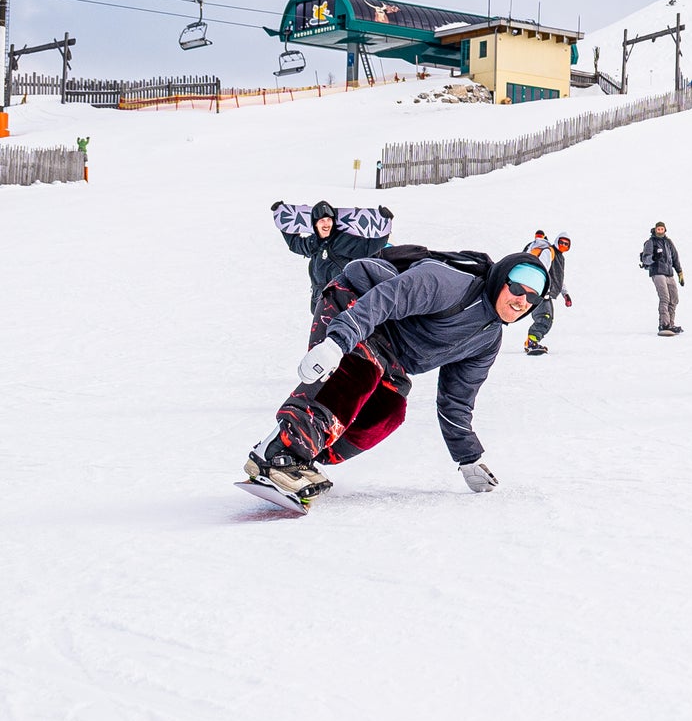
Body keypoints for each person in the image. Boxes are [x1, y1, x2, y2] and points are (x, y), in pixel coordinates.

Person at [240, 247, 544, 506]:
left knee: (390, 410)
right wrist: (337, 342)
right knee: (358, 372)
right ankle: (280, 450)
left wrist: (469, 458)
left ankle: (305, 458)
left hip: (391, 352)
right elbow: (384, 300)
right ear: (500, 280)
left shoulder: (488, 340)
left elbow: (457, 400)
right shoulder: (449, 284)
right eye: (516, 288)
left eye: (532, 297)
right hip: (355, 304)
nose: (521, 301)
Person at [272, 200, 392, 313]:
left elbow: (369, 247)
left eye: (328, 220)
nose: (326, 224)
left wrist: (384, 224)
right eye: (321, 221)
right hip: (319, 301)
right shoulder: (314, 242)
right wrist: (283, 218)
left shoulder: (342, 241)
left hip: (342, 303)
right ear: (315, 224)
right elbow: (295, 244)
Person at [525, 234, 574, 355]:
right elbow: (542, 269)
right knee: (544, 317)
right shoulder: (548, 252)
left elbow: (558, 277)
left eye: (566, 244)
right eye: (561, 242)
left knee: (548, 318)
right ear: (557, 241)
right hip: (541, 290)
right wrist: (542, 287)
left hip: (546, 292)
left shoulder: (559, 257)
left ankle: (531, 341)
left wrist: (565, 294)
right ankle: (532, 343)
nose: (563, 245)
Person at [640, 222, 684, 335]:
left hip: (669, 274)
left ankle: (671, 324)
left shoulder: (668, 242)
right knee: (665, 298)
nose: (660, 231)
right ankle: (664, 324)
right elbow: (645, 259)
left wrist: (680, 272)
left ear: (665, 230)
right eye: (658, 229)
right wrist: (654, 257)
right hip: (658, 272)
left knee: (674, 299)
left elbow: (675, 257)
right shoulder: (651, 242)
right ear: (655, 230)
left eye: (662, 229)